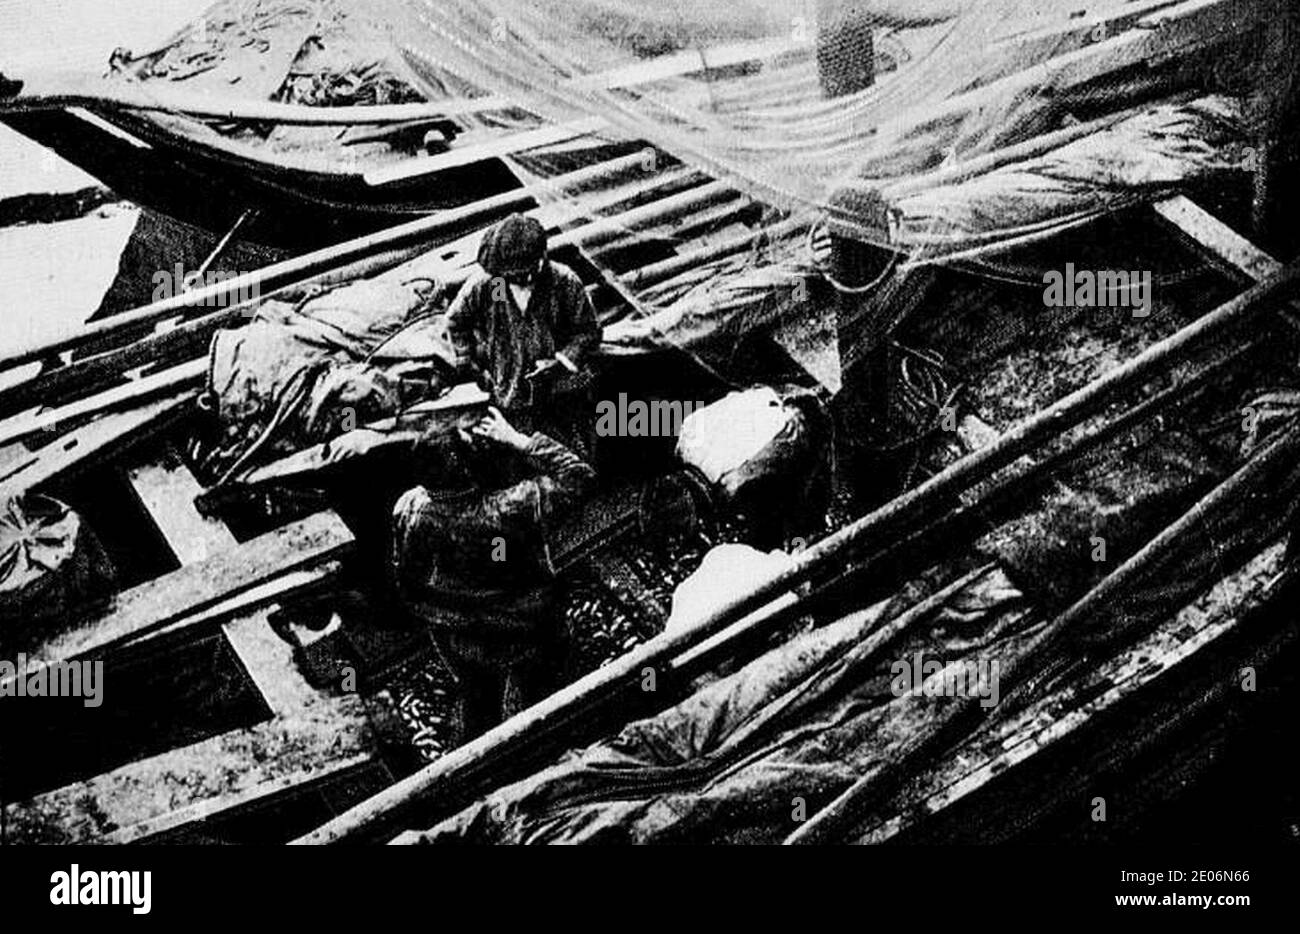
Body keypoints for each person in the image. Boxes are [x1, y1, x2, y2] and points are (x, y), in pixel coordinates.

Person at [391, 406, 596, 743]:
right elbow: (579, 477)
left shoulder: (409, 507)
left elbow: (408, 580)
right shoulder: (508, 509)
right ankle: (551, 741)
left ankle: (475, 758)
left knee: (477, 697)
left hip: (459, 632)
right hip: (526, 626)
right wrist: (518, 441)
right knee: (543, 695)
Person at [446, 213, 601, 456]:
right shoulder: (494, 286)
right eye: (510, 276)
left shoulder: (563, 283)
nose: (516, 280)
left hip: (562, 398)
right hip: (510, 395)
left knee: (570, 462)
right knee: (516, 459)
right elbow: (456, 321)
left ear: (541, 260)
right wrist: (469, 365)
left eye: (523, 274)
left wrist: (560, 361)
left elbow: (588, 331)